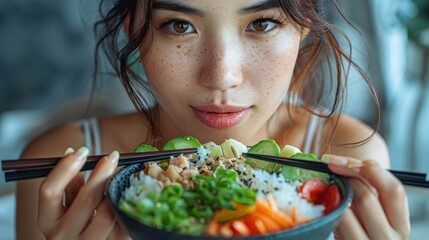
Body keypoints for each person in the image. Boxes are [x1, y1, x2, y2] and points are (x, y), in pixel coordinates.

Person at [16, 0, 410, 239]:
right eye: (179, 25)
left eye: (262, 23)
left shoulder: (347, 155)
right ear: (133, 28)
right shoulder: (61, 171)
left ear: (305, 24)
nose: (222, 76)